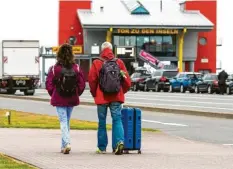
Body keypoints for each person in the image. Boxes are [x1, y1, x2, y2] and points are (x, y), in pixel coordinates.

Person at [88, 42, 131, 155]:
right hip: (116, 96)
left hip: (101, 97)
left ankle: (102, 148)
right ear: (112, 50)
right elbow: (127, 81)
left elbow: (92, 81)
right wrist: (122, 91)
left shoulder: (97, 62)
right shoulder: (119, 62)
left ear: (102, 50)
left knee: (102, 122)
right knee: (117, 119)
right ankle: (119, 143)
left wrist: (94, 94)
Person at [45, 43, 86, 154]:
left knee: (63, 121)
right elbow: (82, 84)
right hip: (72, 98)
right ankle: (63, 146)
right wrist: (76, 93)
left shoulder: (54, 69)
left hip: (59, 97)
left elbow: (48, 84)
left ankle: (67, 143)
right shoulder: (76, 68)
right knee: (67, 121)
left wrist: (53, 94)